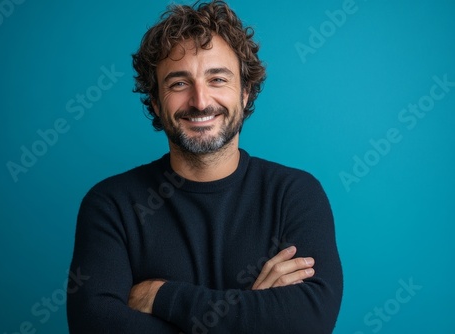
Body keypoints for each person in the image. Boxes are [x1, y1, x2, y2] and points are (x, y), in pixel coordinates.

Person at [67, 1, 343, 333]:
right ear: (155, 101)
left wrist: (160, 296)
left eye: (217, 79)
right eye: (179, 83)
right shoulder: (112, 205)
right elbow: (94, 325)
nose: (200, 101)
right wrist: (250, 317)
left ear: (245, 93)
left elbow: (308, 321)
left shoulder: (294, 195)